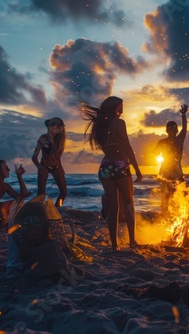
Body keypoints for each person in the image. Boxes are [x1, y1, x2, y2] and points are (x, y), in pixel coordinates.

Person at [82, 96, 142, 251]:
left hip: (105, 167)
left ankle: (114, 245)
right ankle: (132, 241)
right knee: (129, 203)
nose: (122, 111)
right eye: (120, 108)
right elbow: (127, 146)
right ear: (113, 108)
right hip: (121, 166)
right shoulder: (119, 123)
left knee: (113, 207)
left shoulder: (99, 126)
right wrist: (136, 168)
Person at [155, 104, 188, 215]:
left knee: (176, 193)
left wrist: (183, 115)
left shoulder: (178, 140)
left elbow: (185, 128)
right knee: (168, 194)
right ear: (168, 130)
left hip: (175, 169)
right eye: (170, 128)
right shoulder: (164, 142)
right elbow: (154, 153)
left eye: (172, 128)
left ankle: (174, 214)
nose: (172, 130)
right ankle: (166, 214)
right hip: (168, 169)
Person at [32, 117, 67, 207]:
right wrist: (39, 167)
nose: (56, 130)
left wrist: (51, 140)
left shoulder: (60, 139)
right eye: (54, 128)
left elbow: (57, 156)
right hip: (44, 165)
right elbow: (34, 157)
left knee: (63, 192)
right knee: (41, 194)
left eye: (58, 128)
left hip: (57, 166)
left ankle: (57, 208)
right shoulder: (43, 138)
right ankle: (40, 211)